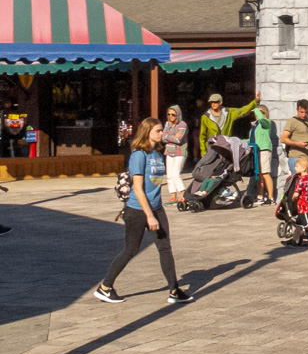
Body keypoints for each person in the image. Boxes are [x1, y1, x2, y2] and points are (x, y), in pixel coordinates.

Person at [95, 118, 193, 305]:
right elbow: (138, 188)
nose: (161, 133)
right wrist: (149, 215)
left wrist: (155, 211)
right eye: (157, 130)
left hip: (157, 208)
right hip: (137, 210)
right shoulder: (139, 155)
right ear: (147, 132)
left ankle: (174, 289)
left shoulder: (157, 153)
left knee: (165, 248)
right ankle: (105, 287)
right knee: (130, 250)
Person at [197, 91, 258, 159]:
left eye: (215, 102)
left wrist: (255, 102)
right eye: (211, 102)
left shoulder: (228, 112)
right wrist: (203, 151)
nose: (213, 104)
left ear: (220, 102)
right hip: (212, 146)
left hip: (225, 145)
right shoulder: (206, 117)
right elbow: (202, 135)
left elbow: (242, 110)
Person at [249, 104, 279, 206]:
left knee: (266, 173)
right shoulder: (255, 125)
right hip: (256, 151)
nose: (256, 115)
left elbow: (262, 119)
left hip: (264, 150)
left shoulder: (266, 123)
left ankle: (271, 198)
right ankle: (260, 196)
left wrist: (256, 110)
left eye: (259, 112)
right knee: (259, 175)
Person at [160, 105, 189, 209]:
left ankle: (184, 194)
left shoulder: (183, 125)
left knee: (176, 175)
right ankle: (173, 196)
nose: (170, 116)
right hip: (169, 152)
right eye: (168, 114)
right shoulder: (167, 124)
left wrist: (167, 137)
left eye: (173, 114)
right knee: (169, 176)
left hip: (180, 153)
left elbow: (179, 139)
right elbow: (162, 137)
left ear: (178, 115)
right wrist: (171, 137)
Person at [281, 100, 308, 169]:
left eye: (306, 112)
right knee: (298, 179)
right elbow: (283, 139)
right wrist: (298, 144)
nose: (304, 115)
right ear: (297, 110)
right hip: (296, 158)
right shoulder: (292, 121)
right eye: (301, 112)